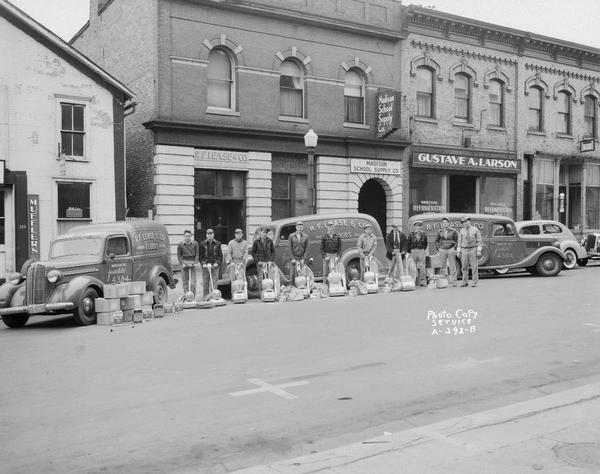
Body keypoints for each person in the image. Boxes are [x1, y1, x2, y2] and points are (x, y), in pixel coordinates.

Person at [457, 216, 482, 287]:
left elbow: (479, 241)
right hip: (464, 249)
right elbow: (459, 241)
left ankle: (474, 282)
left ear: (469, 221)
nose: (465, 223)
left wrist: (479, 250)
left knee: (474, 266)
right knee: (464, 267)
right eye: (463, 222)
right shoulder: (462, 231)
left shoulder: (475, 229)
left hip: (473, 249)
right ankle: (465, 282)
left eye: (466, 221)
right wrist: (459, 251)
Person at [435, 217, 459, 286]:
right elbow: (436, 241)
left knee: (452, 266)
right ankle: (443, 282)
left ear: (448, 223)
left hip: (450, 249)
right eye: (443, 223)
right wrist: (438, 249)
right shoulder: (439, 231)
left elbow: (456, 240)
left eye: (446, 222)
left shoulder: (453, 231)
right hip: (442, 249)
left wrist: (454, 248)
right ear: (442, 224)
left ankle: (454, 282)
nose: (445, 224)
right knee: (442, 266)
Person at [199, 228, 223, 298]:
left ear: (213, 234)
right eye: (208, 234)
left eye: (211, 234)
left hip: (215, 266)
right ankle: (206, 297)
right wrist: (203, 263)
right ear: (206, 235)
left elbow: (220, 255)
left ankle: (214, 296)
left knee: (215, 281)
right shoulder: (202, 244)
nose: (210, 235)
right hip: (206, 266)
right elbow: (200, 256)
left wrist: (217, 263)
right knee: (206, 282)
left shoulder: (218, 243)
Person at [177, 230, 199, 296]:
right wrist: (182, 263)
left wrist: (195, 262)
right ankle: (187, 296)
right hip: (184, 263)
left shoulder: (195, 243)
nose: (187, 237)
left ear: (191, 236)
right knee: (185, 282)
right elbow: (179, 255)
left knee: (193, 283)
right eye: (186, 236)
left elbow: (197, 254)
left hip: (192, 263)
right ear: (184, 236)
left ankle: (192, 296)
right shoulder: (180, 244)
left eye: (189, 236)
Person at [407, 220, 428, 286]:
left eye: (419, 226)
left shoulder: (424, 234)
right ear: (415, 227)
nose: (418, 227)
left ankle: (422, 281)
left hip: (421, 251)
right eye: (417, 226)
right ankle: (413, 280)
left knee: (422, 266)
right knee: (413, 266)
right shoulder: (411, 234)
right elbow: (408, 243)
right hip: (413, 251)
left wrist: (423, 249)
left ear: (421, 227)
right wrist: (410, 251)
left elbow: (425, 243)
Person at [288, 221, 308, 286]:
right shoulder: (291, 236)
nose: (300, 228)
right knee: (292, 275)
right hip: (294, 258)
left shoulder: (306, 236)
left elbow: (307, 249)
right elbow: (289, 248)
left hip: (302, 258)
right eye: (299, 227)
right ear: (296, 227)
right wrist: (292, 258)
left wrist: (303, 259)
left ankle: (303, 288)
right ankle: (292, 289)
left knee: (303, 274)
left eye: (301, 227)